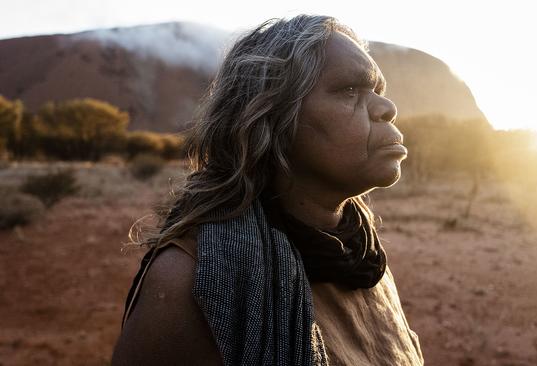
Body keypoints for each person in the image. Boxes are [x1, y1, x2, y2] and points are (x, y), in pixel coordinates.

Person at [112, 14, 423, 366]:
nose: (388, 108)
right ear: (270, 117)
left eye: (378, 91)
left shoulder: (362, 259)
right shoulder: (191, 279)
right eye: (349, 91)